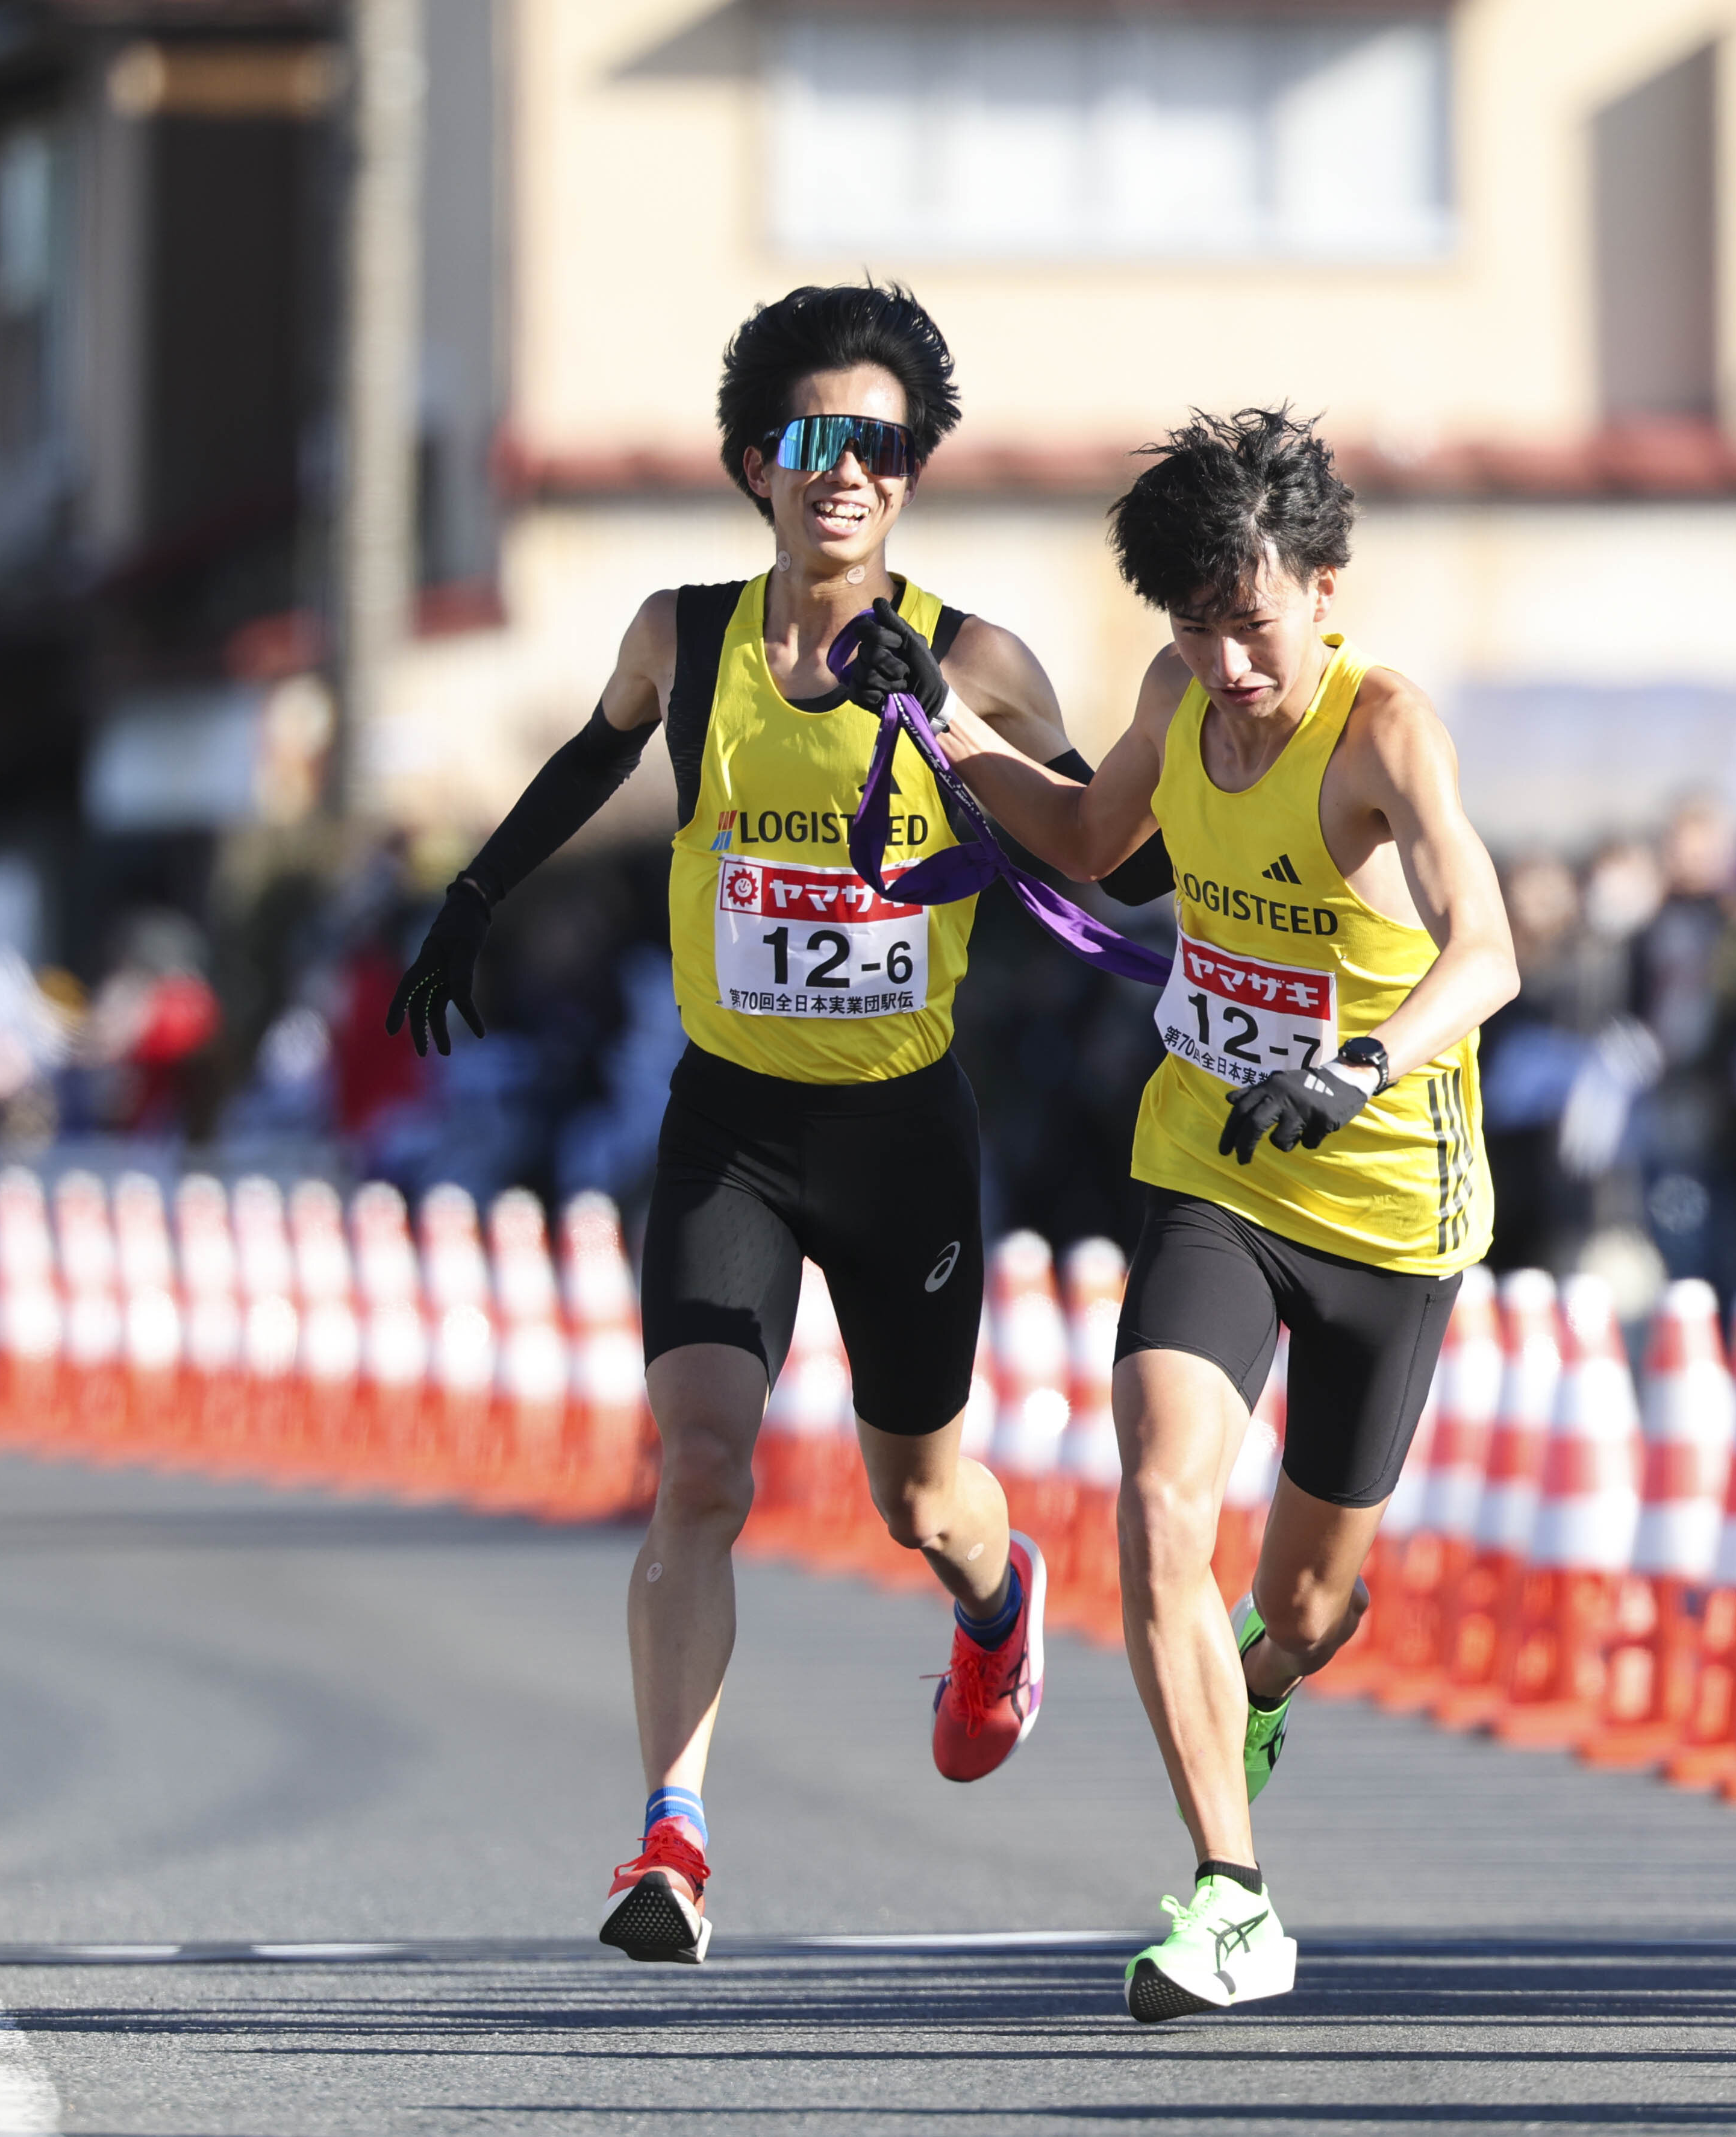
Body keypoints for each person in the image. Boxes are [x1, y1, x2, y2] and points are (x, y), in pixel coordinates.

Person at [384, 283, 1169, 1966]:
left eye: (881, 445)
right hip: (731, 1119)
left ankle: (997, 1598)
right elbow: (592, 763)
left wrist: (951, 730)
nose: (848, 471)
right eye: (817, 439)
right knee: (700, 1465)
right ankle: (670, 1839)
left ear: (910, 473)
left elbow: (1123, 854)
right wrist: (474, 895)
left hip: (902, 1130)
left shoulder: (978, 657)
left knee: (920, 1499)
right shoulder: (684, 636)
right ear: (757, 462)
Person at [875, 407, 1517, 2020]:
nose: (1229, 666)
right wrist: (949, 733)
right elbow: (1097, 842)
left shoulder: (1387, 734)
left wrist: (1360, 1063)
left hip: (1383, 1205)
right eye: (1196, 627)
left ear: (1321, 585)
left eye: (1252, 622)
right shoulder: (1174, 692)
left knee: (1300, 1605)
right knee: (1161, 1498)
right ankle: (1233, 1899)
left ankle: (1267, 1676)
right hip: (1211, 1170)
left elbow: (1491, 954)